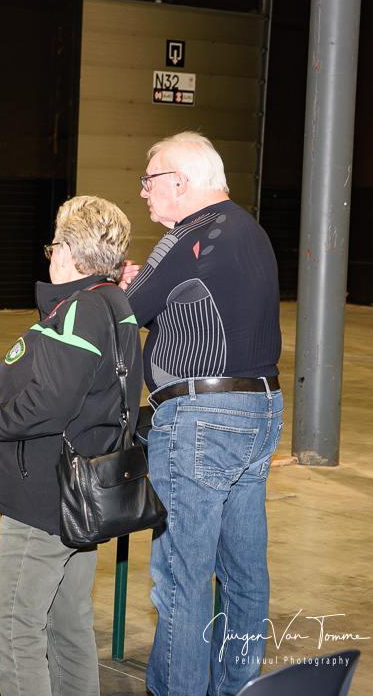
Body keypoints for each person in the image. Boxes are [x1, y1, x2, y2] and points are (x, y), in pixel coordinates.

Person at [121, 131, 282, 696]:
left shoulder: (188, 235)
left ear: (180, 182)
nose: (144, 192)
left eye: (149, 181)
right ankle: (237, 687)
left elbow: (125, 312)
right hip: (259, 412)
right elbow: (195, 304)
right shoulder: (248, 230)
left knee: (182, 577)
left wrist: (119, 285)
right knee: (244, 574)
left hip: (200, 421)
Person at [0, 195, 141, 696]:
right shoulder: (115, 304)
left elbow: (48, 404)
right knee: (68, 623)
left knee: (13, 627)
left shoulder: (80, 311)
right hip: (83, 490)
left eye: (55, 244)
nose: (51, 254)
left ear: (70, 251)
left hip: (47, 493)